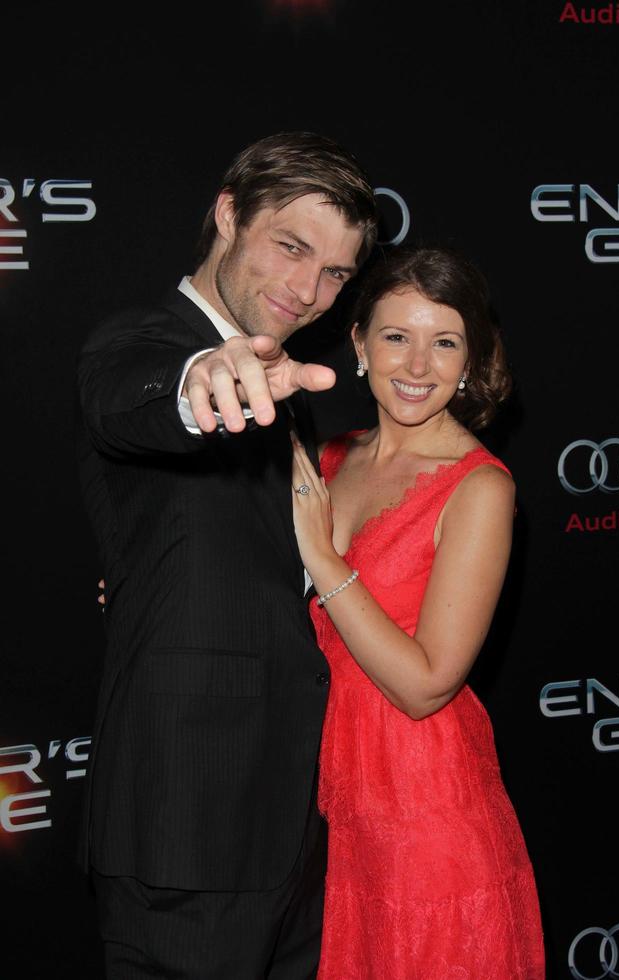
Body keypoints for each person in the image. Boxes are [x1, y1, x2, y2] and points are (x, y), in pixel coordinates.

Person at [76, 131, 377, 979]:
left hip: (292, 823)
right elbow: (131, 400)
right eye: (291, 247)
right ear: (227, 213)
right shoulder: (142, 342)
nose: (307, 290)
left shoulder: (286, 382)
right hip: (189, 823)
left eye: (335, 273)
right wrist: (195, 387)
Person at [290, 245, 545, 979]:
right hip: (333, 814)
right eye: (397, 336)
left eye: (445, 342)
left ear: (470, 360)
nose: (418, 364)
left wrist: (324, 557)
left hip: (426, 822)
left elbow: (427, 682)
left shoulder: (479, 489)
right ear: (360, 343)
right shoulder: (335, 456)